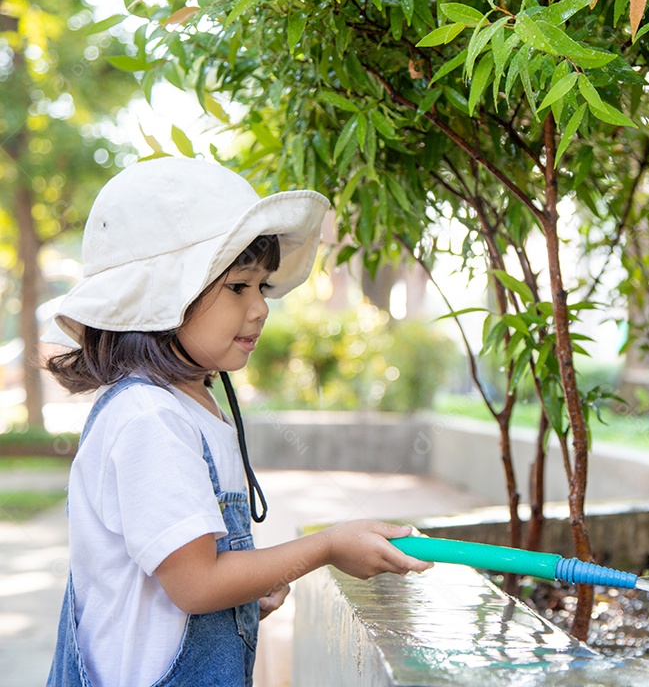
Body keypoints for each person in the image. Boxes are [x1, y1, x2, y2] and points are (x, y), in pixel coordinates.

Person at [42, 157, 431, 687]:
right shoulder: (149, 418)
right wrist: (326, 547)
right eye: (238, 287)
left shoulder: (188, 405)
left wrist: (251, 587)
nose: (260, 308)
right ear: (162, 296)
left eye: (263, 288)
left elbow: (189, 575)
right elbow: (197, 584)